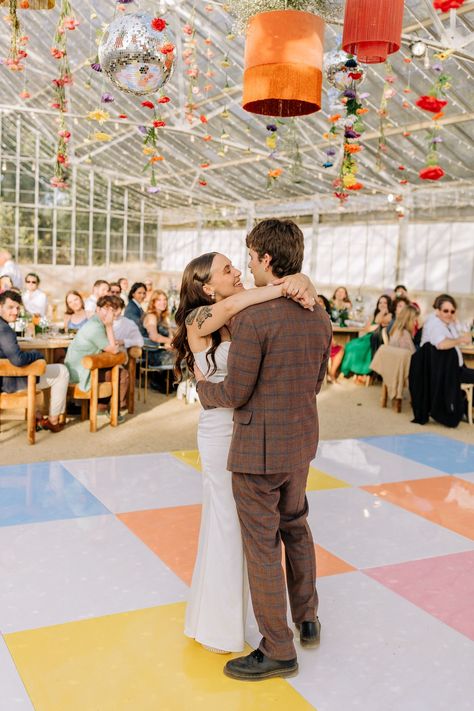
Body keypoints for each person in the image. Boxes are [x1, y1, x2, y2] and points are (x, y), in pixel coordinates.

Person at [192, 219, 332, 681]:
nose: (246, 264)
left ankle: (277, 647)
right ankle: (307, 617)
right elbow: (315, 383)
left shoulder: (252, 318)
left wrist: (201, 391)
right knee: (296, 526)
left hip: (257, 450)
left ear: (266, 260)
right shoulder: (321, 314)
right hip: (301, 441)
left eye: (249, 256)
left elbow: (234, 392)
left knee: (262, 545)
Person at [0, 290, 69, 432]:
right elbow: (18, 360)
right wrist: (36, 354)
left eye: (17, 308)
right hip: (10, 382)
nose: (15, 312)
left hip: (5, 379)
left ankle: (37, 417)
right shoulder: (4, 329)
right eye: (10, 307)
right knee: (62, 371)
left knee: (36, 368)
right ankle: (53, 421)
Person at [65, 295, 129, 416]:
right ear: (98, 309)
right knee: (122, 374)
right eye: (107, 309)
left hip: (85, 367)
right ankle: (114, 409)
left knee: (115, 371)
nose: (110, 313)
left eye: (113, 310)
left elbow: (110, 347)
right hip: (79, 372)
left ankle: (105, 407)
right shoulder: (94, 327)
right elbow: (114, 350)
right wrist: (109, 326)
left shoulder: (97, 322)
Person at [421, 294, 474, 385]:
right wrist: (460, 340)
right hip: (445, 373)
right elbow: (441, 344)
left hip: (454, 368)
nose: (449, 314)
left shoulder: (446, 322)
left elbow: (461, 334)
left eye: (452, 311)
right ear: (438, 311)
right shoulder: (434, 324)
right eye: (446, 311)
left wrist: (456, 321)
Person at [341, 294, 394, 379]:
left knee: (354, 347)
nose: (382, 305)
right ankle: (348, 371)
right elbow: (366, 328)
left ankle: (357, 371)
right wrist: (375, 325)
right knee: (349, 345)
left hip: (377, 339)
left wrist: (382, 313)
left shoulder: (390, 315)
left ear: (389, 304)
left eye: (385, 303)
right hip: (368, 337)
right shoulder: (374, 313)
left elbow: (377, 321)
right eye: (380, 302)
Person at [318, 294, 344, 382]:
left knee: (340, 348)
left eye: (320, 301)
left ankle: (331, 374)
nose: (318, 303)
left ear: (325, 305)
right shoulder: (317, 316)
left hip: (323, 342)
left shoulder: (325, 316)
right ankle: (331, 375)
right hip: (319, 344)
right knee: (339, 348)